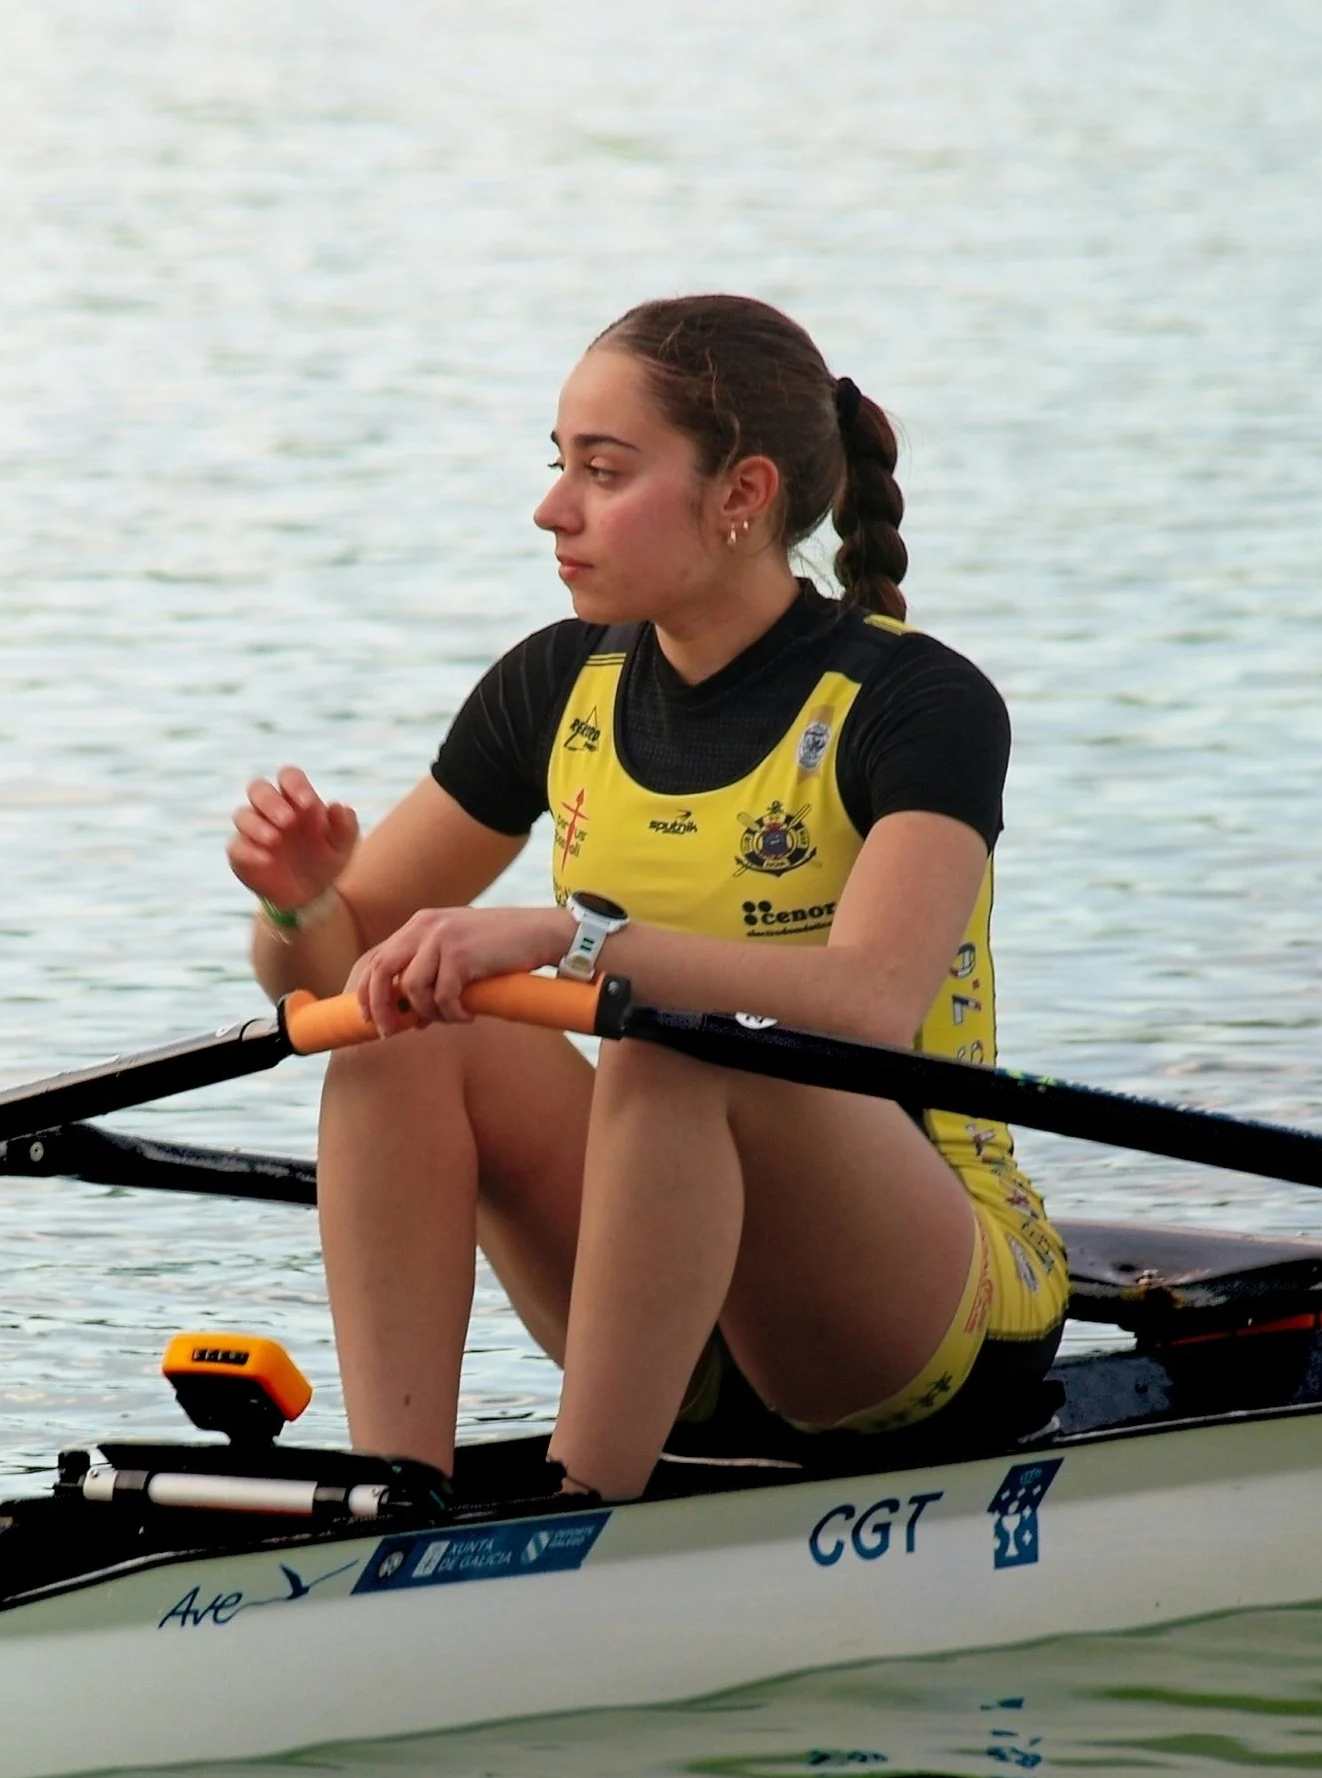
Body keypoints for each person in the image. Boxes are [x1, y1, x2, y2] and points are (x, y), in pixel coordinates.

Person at [227, 295, 1066, 1501]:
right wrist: (304, 908)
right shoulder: (554, 684)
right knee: (398, 1016)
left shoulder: (914, 703)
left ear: (742, 495)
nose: (552, 508)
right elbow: (327, 987)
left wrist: (575, 943)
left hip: (919, 1309)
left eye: (602, 472)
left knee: (674, 1039)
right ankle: (391, 1498)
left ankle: (581, 1507)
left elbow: (873, 1003)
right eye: (558, 464)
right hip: (669, 1301)